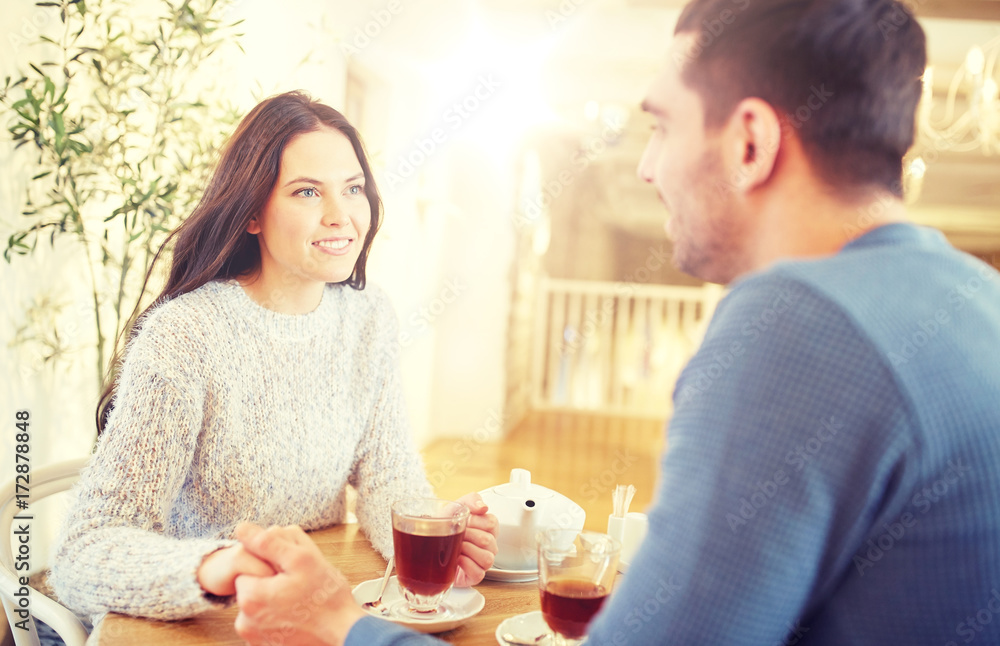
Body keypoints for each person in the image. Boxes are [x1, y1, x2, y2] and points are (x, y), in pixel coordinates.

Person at [226, 0, 1000, 644]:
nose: (646, 166)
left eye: (661, 126)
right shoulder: (977, 298)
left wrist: (340, 623)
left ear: (752, 142)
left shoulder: (797, 322)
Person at [49, 91, 498, 624]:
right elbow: (82, 551)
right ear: (252, 214)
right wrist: (219, 566)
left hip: (308, 612)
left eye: (353, 189)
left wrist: (428, 533)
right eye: (308, 192)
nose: (341, 216)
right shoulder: (184, 336)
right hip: (201, 624)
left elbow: (388, 475)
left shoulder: (368, 315)